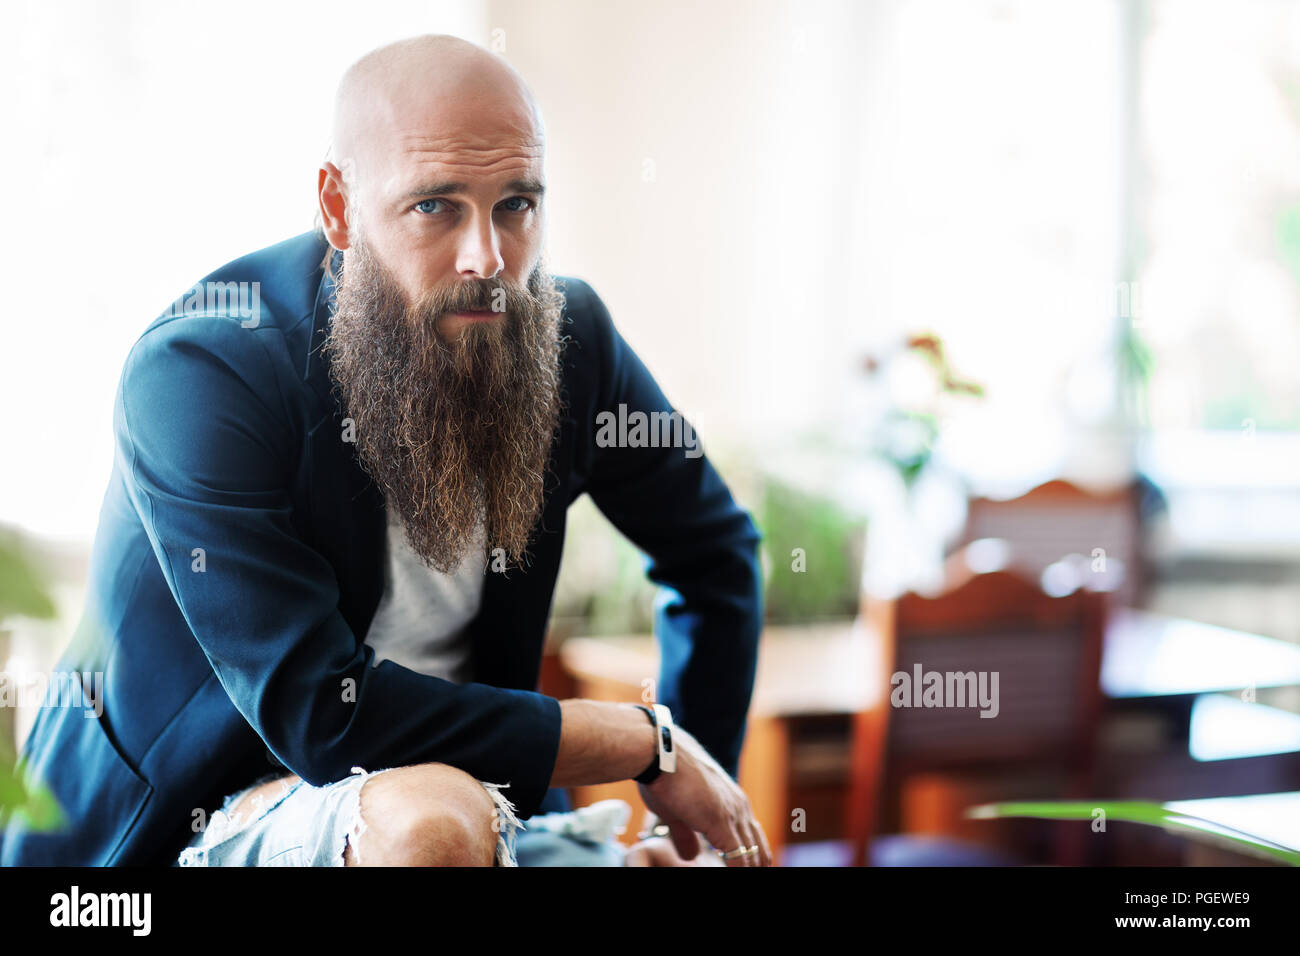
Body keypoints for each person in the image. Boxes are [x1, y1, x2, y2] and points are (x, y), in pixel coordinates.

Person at [0, 34, 769, 868]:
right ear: (338, 206)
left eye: (517, 204)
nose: (488, 259)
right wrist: (641, 741)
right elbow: (319, 715)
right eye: (436, 205)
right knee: (429, 820)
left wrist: (687, 826)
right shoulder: (202, 371)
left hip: (487, 806)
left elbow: (716, 554)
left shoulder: (568, 340)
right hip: (195, 815)